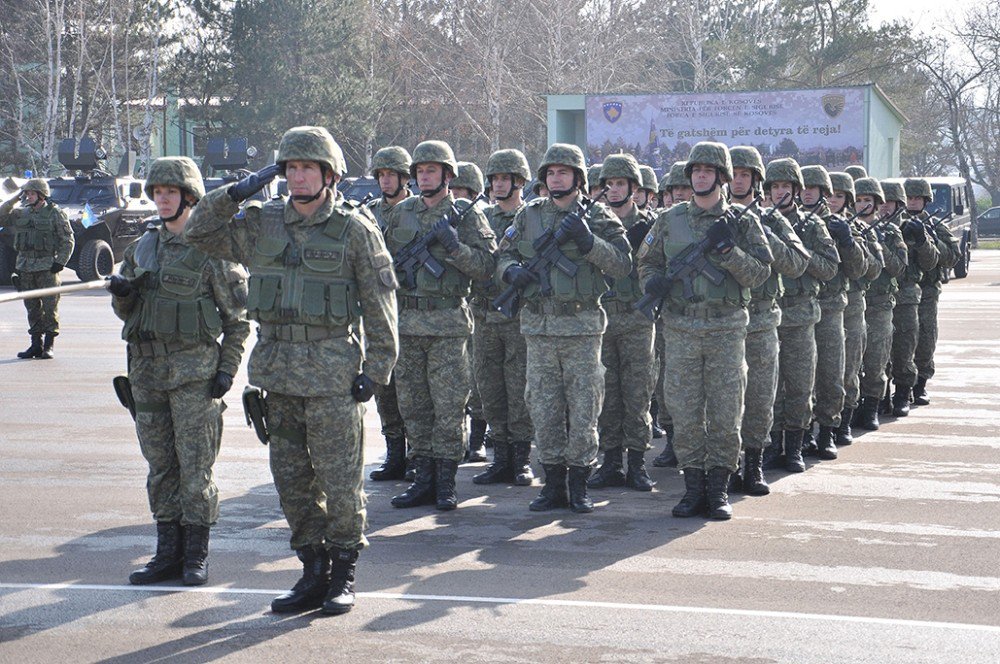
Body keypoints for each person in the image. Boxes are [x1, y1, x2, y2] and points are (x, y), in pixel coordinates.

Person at [186, 126, 399, 616]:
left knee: (340, 480)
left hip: (331, 378)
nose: (297, 176)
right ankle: (312, 570)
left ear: (330, 175)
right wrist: (239, 190)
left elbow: (380, 305)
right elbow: (199, 232)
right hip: (277, 375)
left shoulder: (354, 231)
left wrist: (378, 370)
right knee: (292, 482)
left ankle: (343, 572)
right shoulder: (263, 223)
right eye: (290, 168)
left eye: (307, 168)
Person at [108, 157, 250, 587]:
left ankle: (195, 555)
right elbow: (126, 314)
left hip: (194, 377)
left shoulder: (211, 252)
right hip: (147, 373)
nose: (162, 199)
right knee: (160, 467)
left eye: (171, 192)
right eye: (157, 193)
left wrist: (226, 370)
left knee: (195, 469)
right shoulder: (141, 249)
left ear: (190, 197)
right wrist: (123, 295)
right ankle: (166, 552)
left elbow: (237, 323)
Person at [638, 141, 772, 519]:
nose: (700, 176)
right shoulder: (669, 219)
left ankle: (718, 490)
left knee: (726, 412)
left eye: (708, 171)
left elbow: (761, 273)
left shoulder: (742, 222)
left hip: (726, 327)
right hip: (680, 326)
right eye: (695, 170)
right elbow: (646, 261)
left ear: (722, 177)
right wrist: (653, 284)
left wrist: (730, 253)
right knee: (685, 411)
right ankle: (692, 487)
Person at [496, 143, 632, 513]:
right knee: (543, 407)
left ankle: (579, 482)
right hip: (539, 328)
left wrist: (589, 242)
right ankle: (553, 483)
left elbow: (622, 263)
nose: (556, 178)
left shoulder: (598, 216)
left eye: (564, 172)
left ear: (577, 178)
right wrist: (511, 271)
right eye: (551, 173)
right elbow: (503, 252)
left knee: (584, 407)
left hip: (582, 329)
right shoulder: (529, 215)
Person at [383, 140, 497, 511]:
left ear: (448, 175)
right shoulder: (402, 214)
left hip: (448, 323)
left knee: (448, 406)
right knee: (414, 406)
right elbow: (382, 262)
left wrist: (455, 249)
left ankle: (446, 482)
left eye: (432, 170)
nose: (424, 176)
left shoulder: (466, 215)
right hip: (408, 322)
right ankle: (423, 478)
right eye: (419, 171)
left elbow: (486, 268)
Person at [729, 146, 808, 496]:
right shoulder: (712, 218)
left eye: (745, 175)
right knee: (724, 401)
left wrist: (763, 233)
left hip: (760, 320)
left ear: (755, 180)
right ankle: (725, 466)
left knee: (760, 398)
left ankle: (755, 463)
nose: (738, 180)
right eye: (733, 174)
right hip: (723, 322)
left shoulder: (772, 220)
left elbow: (796, 264)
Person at [761, 159, 839, 473]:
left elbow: (830, 267)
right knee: (768, 387)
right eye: (775, 186)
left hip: (801, 314)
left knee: (799, 384)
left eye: (786, 187)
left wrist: (798, 254)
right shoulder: (759, 221)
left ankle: (794, 446)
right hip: (767, 314)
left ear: (796, 190)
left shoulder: (812, 225)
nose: (780, 192)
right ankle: (771, 444)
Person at [588, 153, 656, 492]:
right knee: (607, 393)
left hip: (637, 317)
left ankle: (638, 463)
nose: (613, 190)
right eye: (609, 184)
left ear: (633, 188)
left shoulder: (651, 225)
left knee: (638, 391)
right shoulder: (593, 223)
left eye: (620, 184)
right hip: (602, 316)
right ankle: (611, 460)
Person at [471, 149, 535, 487]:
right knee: (489, 389)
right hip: (484, 315)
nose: (497, 184)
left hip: (519, 318)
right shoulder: (481, 218)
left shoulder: (532, 218)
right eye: (493, 178)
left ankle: (521, 460)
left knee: (519, 388)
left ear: (519, 181)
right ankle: (500, 459)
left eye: (503, 178)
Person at [799, 165, 871, 461]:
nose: (807, 194)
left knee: (832, 374)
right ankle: (799, 435)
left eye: (814, 190)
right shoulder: (789, 223)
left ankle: (828, 429)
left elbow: (861, 270)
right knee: (798, 379)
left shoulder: (847, 226)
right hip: (799, 309)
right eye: (803, 188)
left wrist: (847, 241)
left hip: (831, 308)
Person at [367, 146, 413, 482]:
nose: (385, 181)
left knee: (414, 389)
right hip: (379, 312)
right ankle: (394, 452)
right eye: (381, 175)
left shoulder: (417, 211)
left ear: (403, 178)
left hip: (413, 311)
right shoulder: (369, 213)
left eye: (390, 175)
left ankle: (419, 455)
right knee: (385, 387)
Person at [828, 172, 883, 446]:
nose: (833, 200)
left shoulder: (860, 229)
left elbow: (871, 268)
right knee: (822, 372)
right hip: (822, 306)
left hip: (851, 306)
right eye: (830, 194)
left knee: (849, 367)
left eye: (839, 195)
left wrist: (849, 242)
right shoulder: (811, 225)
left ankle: (845, 422)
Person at [0, 178, 74, 359]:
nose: (28, 196)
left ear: (42, 195)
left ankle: (49, 346)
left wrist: (60, 262)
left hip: (47, 267)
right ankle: (35, 345)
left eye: (31, 193)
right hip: (25, 267)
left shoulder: (55, 214)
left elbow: (68, 240)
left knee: (50, 307)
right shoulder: (21, 213)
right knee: (31, 308)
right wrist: (15, 198)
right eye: (27, 193)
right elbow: (1, 215)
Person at [855, 178, 907, 430]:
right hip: (854, 303)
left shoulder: (890, 232)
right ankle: (851, 407)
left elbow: (898, 267)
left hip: (879, 303)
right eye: (858, 200)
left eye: (868, 200)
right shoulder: (846, 228)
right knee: (851, 361)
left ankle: (871, 407)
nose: (863, 205)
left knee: (876, 359)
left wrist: (877, 244)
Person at [886, 179, 939, 416]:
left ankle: (907, 391)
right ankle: (877, 397)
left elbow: (935, 260)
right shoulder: (872, 227)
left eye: (918, 198)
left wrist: (922, 240)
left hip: (909, 295)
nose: (913, 202)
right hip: (878, 297)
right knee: (877, 352)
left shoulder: (916, 226)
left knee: (911, 345)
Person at [907, 178, 961, 406]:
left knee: (925, 338)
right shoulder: (894, 223)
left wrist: (931, 239)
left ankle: (920, 384)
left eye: (917, 198)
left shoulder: (936, 225)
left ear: (926, 201)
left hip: (927, 291)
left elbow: (953, 256)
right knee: (899, 341)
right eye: (909, 198)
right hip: (903, 291)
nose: (912, 202)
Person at [450, 160, 490, 462]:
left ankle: (480, 438)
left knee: (480, 382)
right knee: (460, 383)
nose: (456, 195)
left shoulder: (477, 219)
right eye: (452, 190)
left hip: (493, 312)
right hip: (465, 308)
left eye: (462, 190)